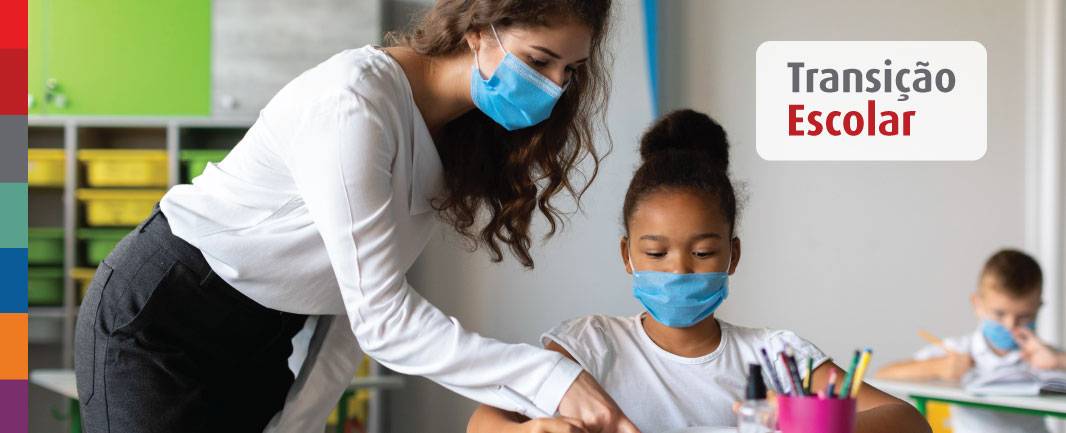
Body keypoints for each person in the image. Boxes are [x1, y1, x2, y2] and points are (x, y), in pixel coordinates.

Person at [73, 1, 642, 432]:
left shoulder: (454, 136)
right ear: (478, 28)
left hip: (262, 332)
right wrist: (552, 379)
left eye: (569, 69)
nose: (553, 87)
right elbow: (383, 318)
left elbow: (355, 310)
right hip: (162, 316)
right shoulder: (354, 103)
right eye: (540, 60)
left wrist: (299, 421)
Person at [467, 109, 932, 433]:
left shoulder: (778, 359)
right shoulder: (592, 345)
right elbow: (484, 422)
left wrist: (808, 422)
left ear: (733, 254)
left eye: (704, 253)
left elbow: (908, 420)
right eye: (656, 253)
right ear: (627, 254)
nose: (680, 270)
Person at [876, 249, 1058, 433]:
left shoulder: (1047, 356)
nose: (1010, 325)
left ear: (1039, 308)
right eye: (999, 314)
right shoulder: (959, 350)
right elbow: (883, 375)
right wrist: (936, 367)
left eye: (1024, 316)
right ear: (977, 305)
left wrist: (1059, 361)